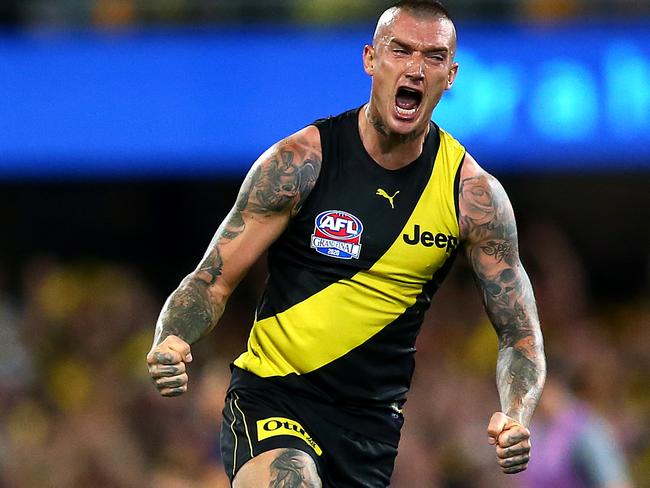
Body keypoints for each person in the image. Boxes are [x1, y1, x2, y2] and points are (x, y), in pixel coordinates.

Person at [146, 1, 546, 486]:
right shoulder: (299, 164)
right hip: (272, 397)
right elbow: (210, 280)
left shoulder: (472, 197)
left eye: (434, 57)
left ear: (452, 75)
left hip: (368, 431)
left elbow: (519, 333)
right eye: (400, 51)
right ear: (370, 60)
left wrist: (517, 413)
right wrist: (172, 337)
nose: (416, 69)